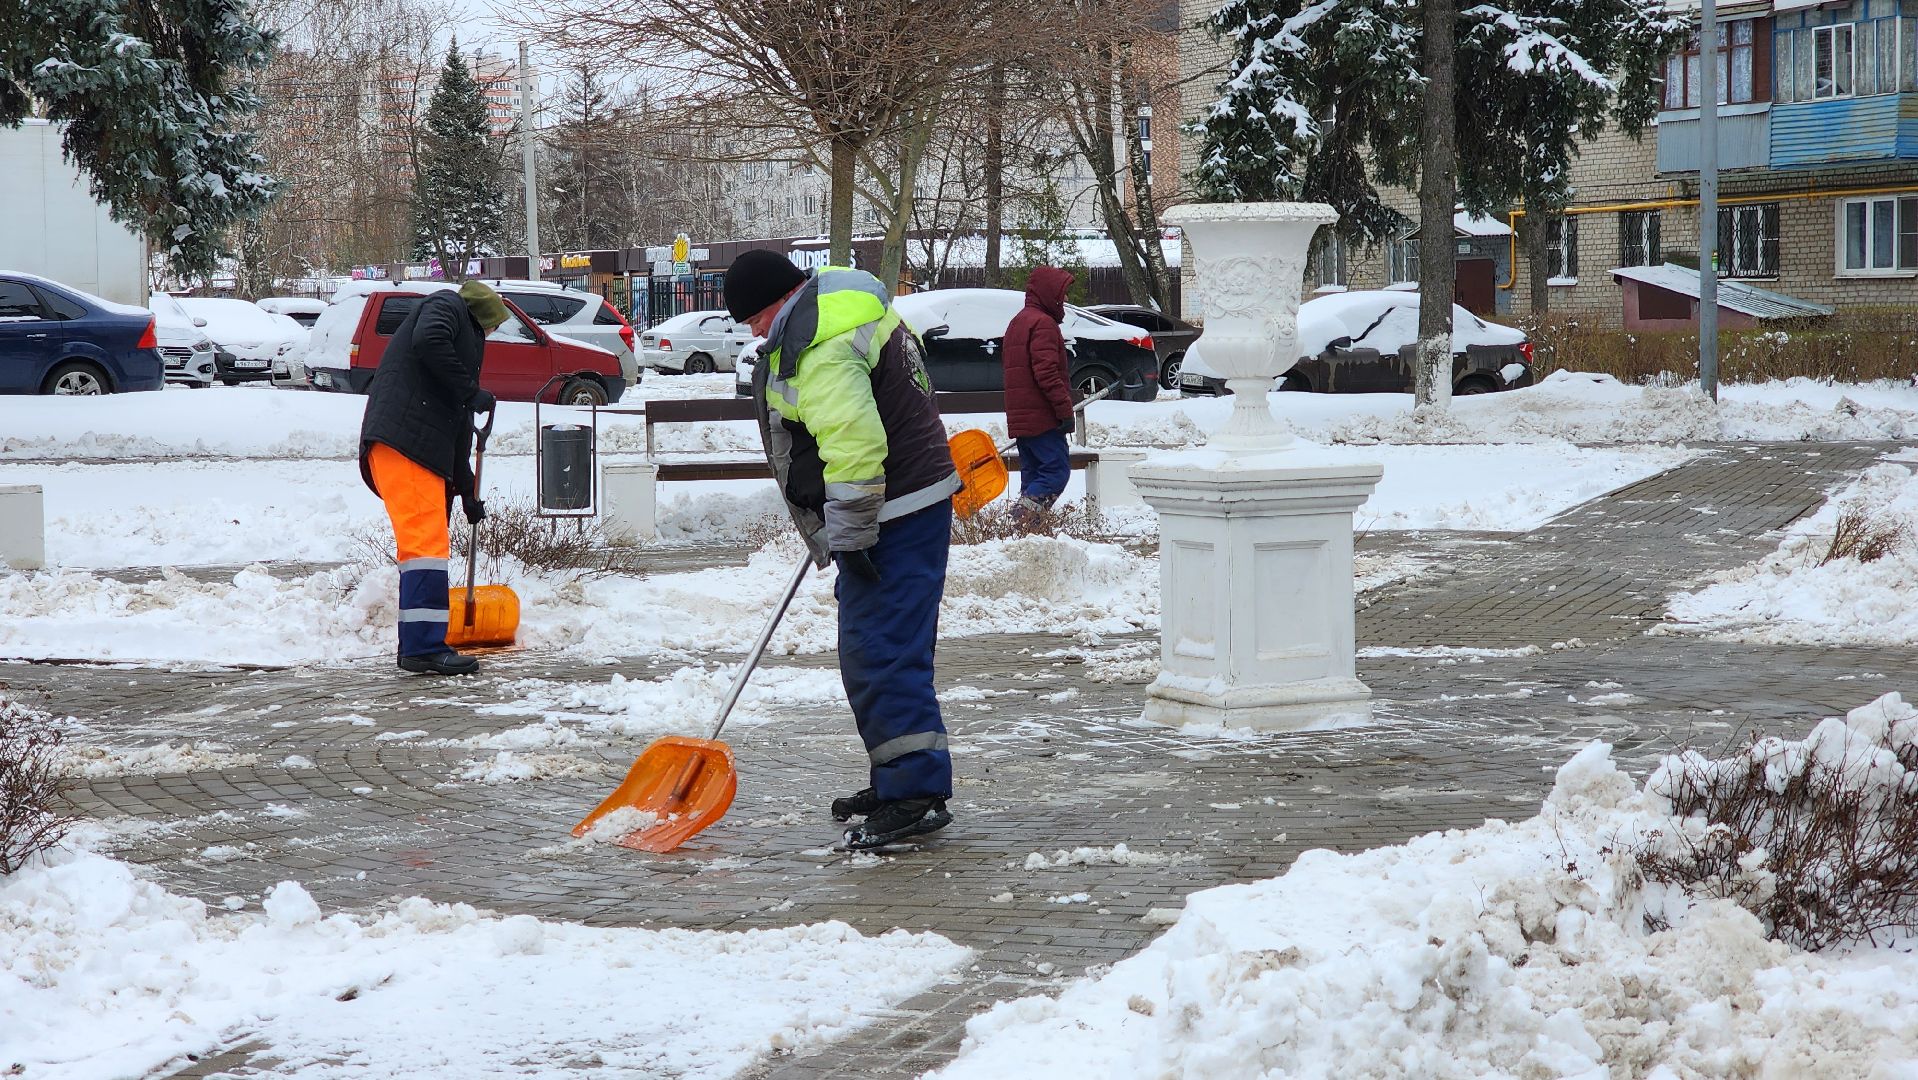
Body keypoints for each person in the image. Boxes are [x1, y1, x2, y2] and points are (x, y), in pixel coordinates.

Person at [725, 249, 962, 850]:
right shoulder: (834, 307)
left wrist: (851, 535)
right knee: (882, 649)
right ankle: (897, 778)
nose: (752, 331)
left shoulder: (821, 340)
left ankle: (914, 794)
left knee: (880, 652)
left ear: (779, 299)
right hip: (904, 501)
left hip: (893, 510)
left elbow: (854, 444)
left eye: (753, 317)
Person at [358, 281, 504, 676]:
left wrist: (467, 490)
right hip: (403, 443)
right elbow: (429, 338)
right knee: (425, 545)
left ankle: (420, 646)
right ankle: (422, 650)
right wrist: (470, 388)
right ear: (482, 318)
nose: (491, 335)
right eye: (492, 327)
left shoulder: (456, 359)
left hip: (416, 448)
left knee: (426, 543)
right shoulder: (447, 304)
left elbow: (459, 430)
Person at [1002, 265, 1076, 524]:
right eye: (1062, 293)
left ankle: (1026, 535)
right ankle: (1019, 522)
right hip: (1042, 417)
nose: (1065, 299)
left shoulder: (1018, 321)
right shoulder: (1043, 324)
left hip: (1023, 418)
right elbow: (1046, 373)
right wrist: (1065, 411)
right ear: (1049, 293)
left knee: (1033, 476)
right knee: (1055, 472)